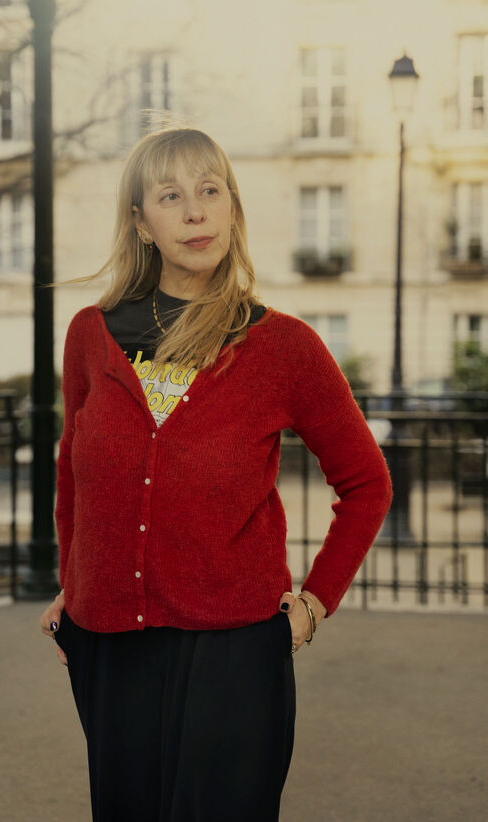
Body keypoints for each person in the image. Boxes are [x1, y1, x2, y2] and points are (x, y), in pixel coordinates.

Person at [39, 126, 392, 822]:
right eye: (170, 196)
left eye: (210, 190)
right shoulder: (89, 334)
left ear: (232, 207)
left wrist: (314, 603)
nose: (195, 212)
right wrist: (72, 583)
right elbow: (73, 474)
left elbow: (366, 484)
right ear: (141, 222)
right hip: (110, 644)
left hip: (234, 651)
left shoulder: (284, 346)